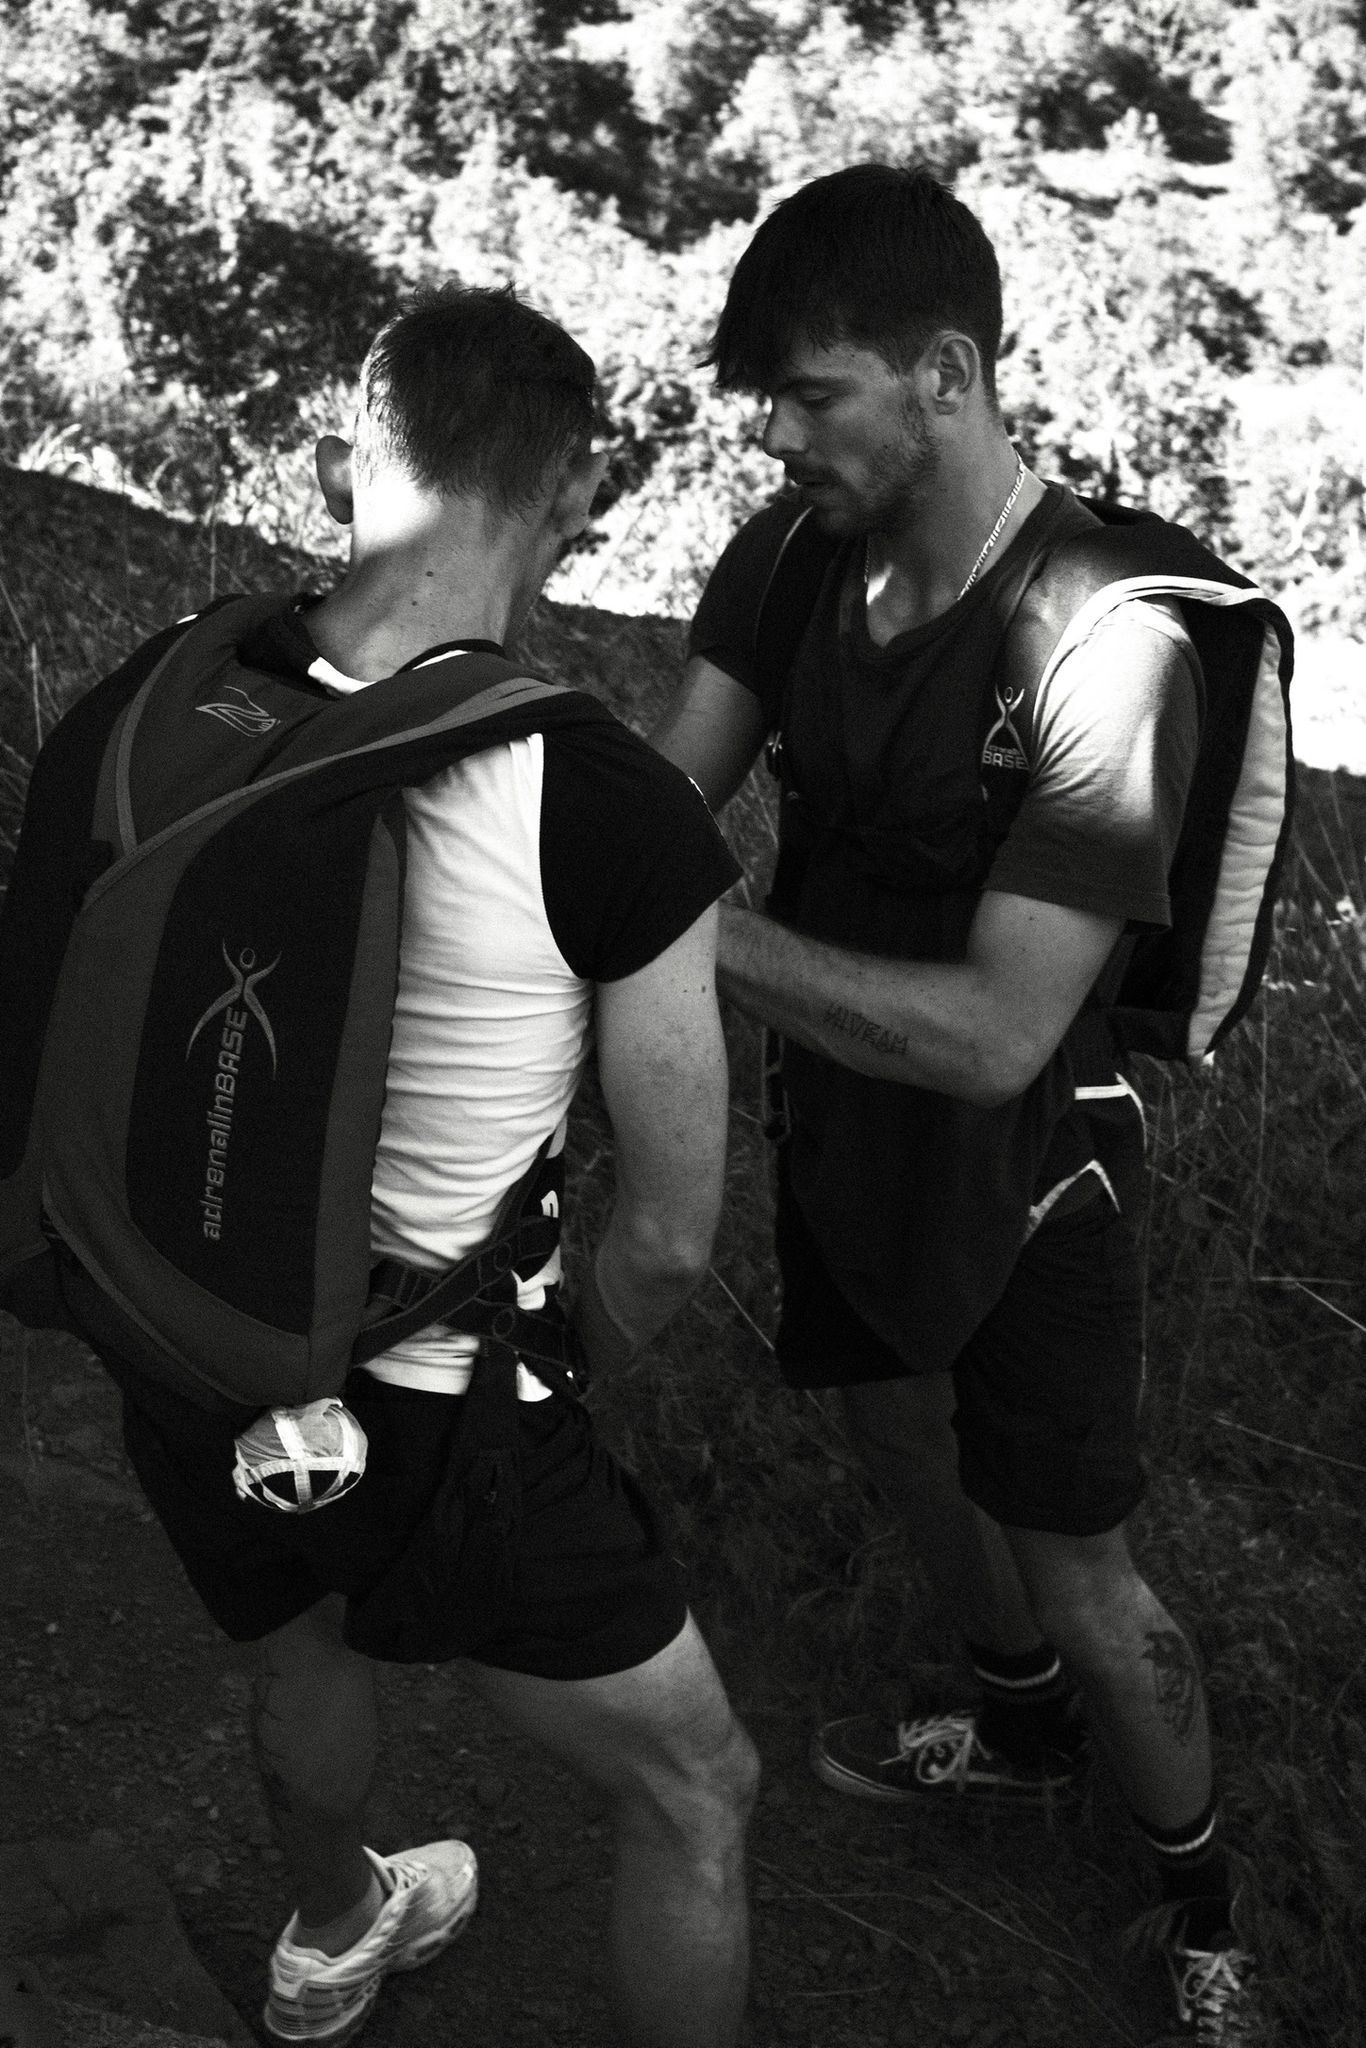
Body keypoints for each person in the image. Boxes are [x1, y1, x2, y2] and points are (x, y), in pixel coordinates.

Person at [10, 286, 758, 2048]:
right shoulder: (600, 798)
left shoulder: (159, 689)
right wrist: (557, 1371)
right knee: (695, 1790)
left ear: (348, 459)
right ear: (578, 493)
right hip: (440, 1408)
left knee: (298, 1644)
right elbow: (667, 1232)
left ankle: (334, 1932)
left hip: (189, 1333)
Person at [651, 165, 1263, 2044]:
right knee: (894, 1429)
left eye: (809, 393)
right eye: (761, 398)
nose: (775, 436)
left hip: (1036, 1160)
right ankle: (1011, 1732)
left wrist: (677, 930)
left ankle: (1207, 1914)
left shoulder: (1101, 645)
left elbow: (1002, 1036)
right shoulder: (788, 559)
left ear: (945, 371)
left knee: (1083, 1567)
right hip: (848, 1114)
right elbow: (668, 804)